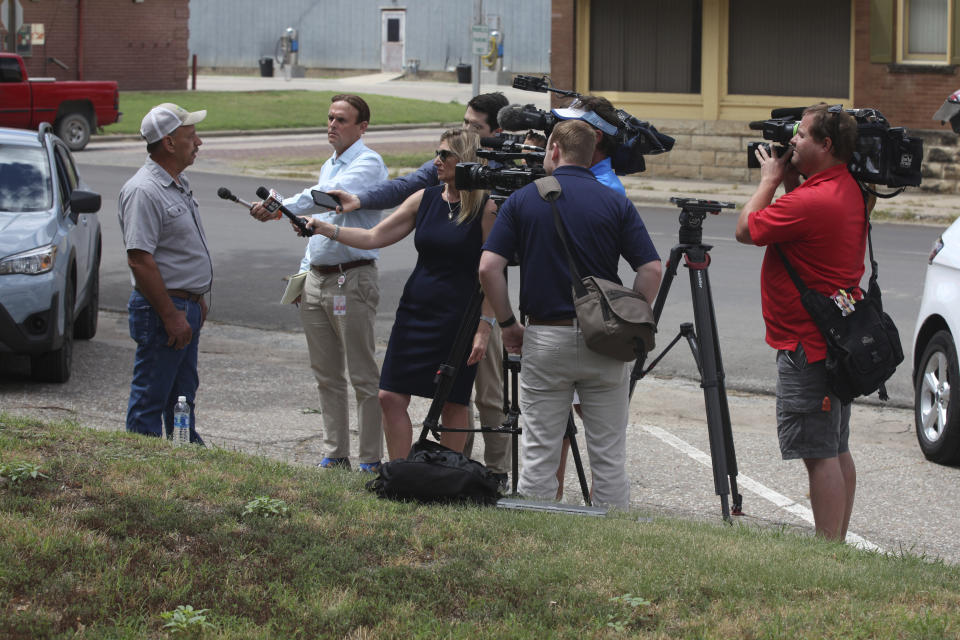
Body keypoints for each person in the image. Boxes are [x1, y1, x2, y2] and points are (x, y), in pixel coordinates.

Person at [327, 92, 513, 485]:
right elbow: (376, 235)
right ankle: (401, 475)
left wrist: (484, 325)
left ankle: (448, 478)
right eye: (436, 154)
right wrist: (326, 226)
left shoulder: (487, 207)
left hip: (459, 317)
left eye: (444, 156)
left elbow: (492, 270)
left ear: (464, 160)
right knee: (389, 395)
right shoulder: (426, 198)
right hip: (416, 311)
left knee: (453, 402)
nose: (436, 162)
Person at [479, 120, 662, 508]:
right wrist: (627, 316)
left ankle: (539, 532)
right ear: (591, 154)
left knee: (540, 449)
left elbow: (488, 268)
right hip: (605, 339)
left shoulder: (524, 200)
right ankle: (611, 533)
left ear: (555, 151)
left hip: (546, 336)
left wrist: (509, 325)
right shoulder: (614, 201)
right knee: (609, 453)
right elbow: (651, 270)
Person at [734, 103, 864, 541]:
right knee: (835, 447)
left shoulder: (813, 200)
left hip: (806, 346)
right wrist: (791, 180)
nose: (792, 141)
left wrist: (770, 180)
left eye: (802, 135)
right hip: (833, 341)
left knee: (818, 454)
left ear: (825, 145)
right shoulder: (846, 187)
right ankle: (838, 545)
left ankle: (827, 552)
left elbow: (747, 228)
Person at [250, 94, 388, 472]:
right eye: (329, 118)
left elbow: (324, 202)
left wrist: (278, 204)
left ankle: (371, 459)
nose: (332, 125)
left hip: (352, 280)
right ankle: (335, 453)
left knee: (362, 374)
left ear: (362, 127)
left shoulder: (367, 163)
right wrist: (302, 276)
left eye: (341, 119)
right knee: (326, 374)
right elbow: (318, 232)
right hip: (318, 280)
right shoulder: (331, 163)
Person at [118, 102, 212, 444]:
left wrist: (196, 299)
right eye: (191, 135)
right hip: (162, 310)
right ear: (169, 143)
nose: (198, 142)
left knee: (182, 396)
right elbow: (139, 260)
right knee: (150, 397)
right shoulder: (144, 190)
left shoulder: (177, 182)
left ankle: (183, 455)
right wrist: (171, 314)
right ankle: (139, 470)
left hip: (183, 306)